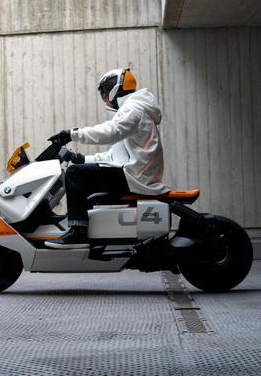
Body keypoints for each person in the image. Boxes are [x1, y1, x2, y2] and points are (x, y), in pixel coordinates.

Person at [45, 67, 169, 249]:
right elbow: (115, 156)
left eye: (104, 93)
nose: (105, 99)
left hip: (136, 176)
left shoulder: (133, 108)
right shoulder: (137, 107)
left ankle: (78, 232)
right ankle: (88, 230)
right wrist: (82, 159)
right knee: (80, 174)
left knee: (74, 174)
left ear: (114, 88)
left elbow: (111, 131)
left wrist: (72, 134)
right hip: (136, 173)